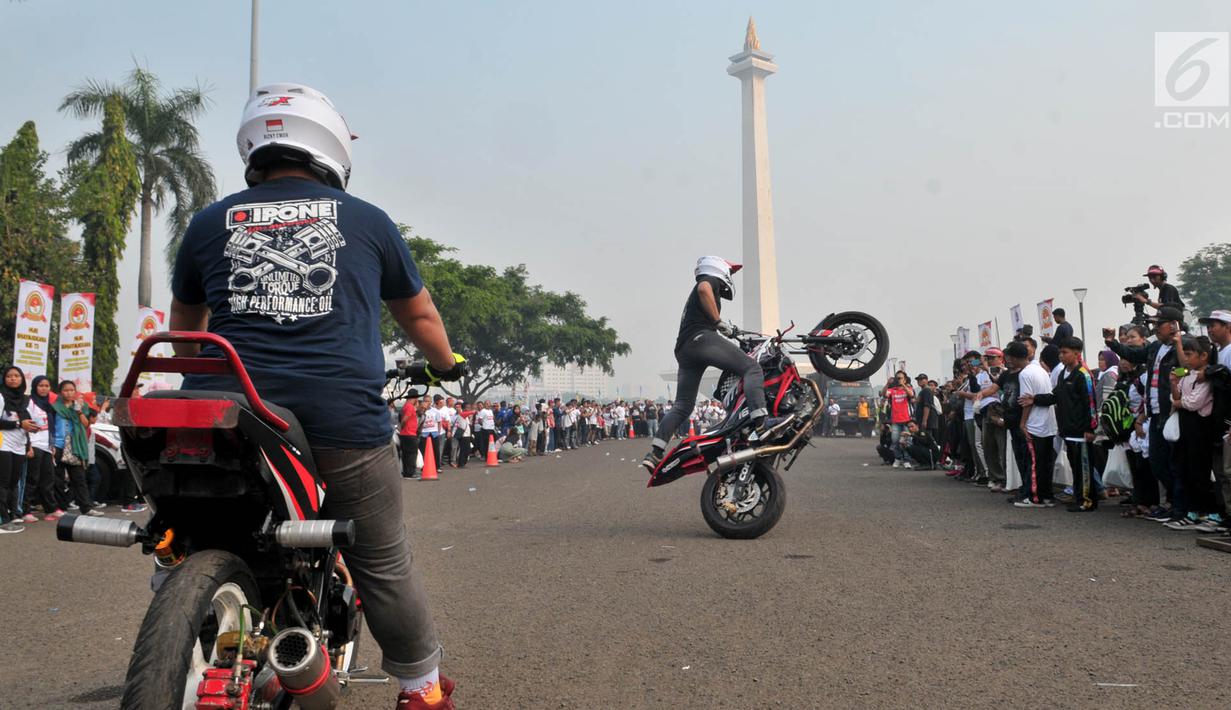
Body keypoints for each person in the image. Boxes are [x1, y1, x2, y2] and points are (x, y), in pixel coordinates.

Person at [169, 83, 464, 708]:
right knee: (383, 559)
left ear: (255, 146)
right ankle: (421, 688)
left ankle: (179, 611)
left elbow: (185, 333)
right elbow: (421, 319)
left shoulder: (207, 222)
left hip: (226, 407)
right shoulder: (367, 221)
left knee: (184, 534)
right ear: (331, 146)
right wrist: (447, 364)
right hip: (338, 417)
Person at [643, 256, 767, 471]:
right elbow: (703, 289)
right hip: (701, 339)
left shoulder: (707, 286)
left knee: (683, 405)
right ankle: (762, 423)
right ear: (719, 269)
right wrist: (718, 323)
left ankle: (655, 452)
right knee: (751, 368)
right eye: (731, 271)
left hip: (684, 349)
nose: (731, 276)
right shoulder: (710, 280)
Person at [1105, 306, 1182, 522]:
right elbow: (1133, 354)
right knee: (1157, 461)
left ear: (1174, 325)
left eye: (1160, 324)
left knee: (1174, 462)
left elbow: (1188, 369)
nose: (1156, 328)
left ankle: (1180, 506)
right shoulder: (1156, 347)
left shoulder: (1184, 345)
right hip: (1155, 414)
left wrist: (1179, 369)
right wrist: (1113, 343)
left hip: (1173, 412)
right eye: (1155, 324)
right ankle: (1171, 504)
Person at [1033, 338, 1099, 512]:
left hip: (1081, 430)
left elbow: (1091, 403)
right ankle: (1079, 497)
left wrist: (1090, 428)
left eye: (1065, 352)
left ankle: (1087, 501)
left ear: (1077, 354)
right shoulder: (1063, 374)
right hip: (1067, 429)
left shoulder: (1083, 375)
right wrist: (1035, 399)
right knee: (1075, 466)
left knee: (1084, 468)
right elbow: (1056, 396)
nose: (1061, 356)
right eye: (1060, 353)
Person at [1164, 335, 1221, 530]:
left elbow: (1194, 402)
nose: (1186, 359)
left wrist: (1179, 402)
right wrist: (1173, 384)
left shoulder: (1206, 377)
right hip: (1186, 427)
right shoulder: (1187, 375)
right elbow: (1176, 396)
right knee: (1185, 470)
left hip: (1201, 429)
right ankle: (1193, 512)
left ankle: (1213, 513)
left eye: (1189, 354)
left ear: (1204, 355)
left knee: (1201, 473)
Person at [1015, 346, 1059, 508]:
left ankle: (1035, 497)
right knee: (1046, 462)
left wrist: (1023, 423)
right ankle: (1046, 496)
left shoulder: (1025, 373)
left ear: (1013, 358)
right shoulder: (1040, 370)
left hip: (1035, 424)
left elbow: (1026, 401)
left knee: (1035, 463)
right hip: (1048, 423)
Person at [51, 380, 102, 519]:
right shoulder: (55, 407)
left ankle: (87, 508)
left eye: (72, 390)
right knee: (58, 479)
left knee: (79, 478)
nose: (69, 393)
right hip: (58, 445)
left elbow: (86, 424)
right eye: (66, 390)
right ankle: (61, 508)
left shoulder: (81, 406)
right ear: (61, 392)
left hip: (75, 446)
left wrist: (79, 411)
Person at [0, 366, 40, 532]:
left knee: (12, 483)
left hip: (19, 445)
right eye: (9, 376)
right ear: (4, 379)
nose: (13, 379)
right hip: (3, 443)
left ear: (22, 379)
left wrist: (33, 430)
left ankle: (10, 514)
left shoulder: (27, 400)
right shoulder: (1, 396)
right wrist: (18, 424)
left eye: (17, 376)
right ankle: (2, 519)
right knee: (2, 482)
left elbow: (33, 422)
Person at [25, 375, 62, 520]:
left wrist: (52, 445)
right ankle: (25, 510)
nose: (44, 388)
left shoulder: (48, 405)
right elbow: (26, 425)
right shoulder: (29, 402)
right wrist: (28, 446)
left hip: (46, 445)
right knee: (32, 479)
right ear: (34, 387)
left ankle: (50, 509)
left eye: (47, 386)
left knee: (48, 479)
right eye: (41, 385)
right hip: (34, 444)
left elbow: (51, 427)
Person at [884, 376, 914, 468]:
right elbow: (884, 394)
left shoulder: (908, 388)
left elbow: (911, 395)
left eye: (901, 378)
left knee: (906, 441)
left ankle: (906, 460)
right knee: (895, 440)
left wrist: (903, 385)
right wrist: (888, 384)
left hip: (906, 420)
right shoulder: (892, 390)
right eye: (898, 378)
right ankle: (897, 458)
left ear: (905, 380)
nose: (899, 379)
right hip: (896, 420)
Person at [399, 396, 420, 479]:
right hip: (409, 434)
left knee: (406, 454)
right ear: (414, 398)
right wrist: (403, 426)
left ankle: (406, 472)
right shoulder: (410, 407)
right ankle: (411, 473)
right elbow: (404, 419)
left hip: (405, 434)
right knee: (412, 454)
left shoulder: (405, 406)